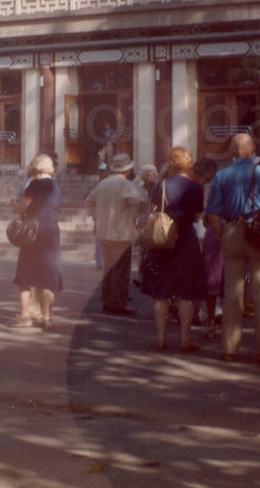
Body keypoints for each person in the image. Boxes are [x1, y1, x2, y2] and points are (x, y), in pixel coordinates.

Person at [206, 132, 260, 363]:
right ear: (252, 149)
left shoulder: (221, 175)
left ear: (233, 151)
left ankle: (229, 349)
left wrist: (223, 234)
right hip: (259, 233)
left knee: (232, 294)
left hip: (232, 231)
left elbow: (213, 213)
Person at [141, 147, 205, 353]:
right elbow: (197, 215)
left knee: (160, 292)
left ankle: (160, 338)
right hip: (185, 239)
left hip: (163, 239)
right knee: (186, 293)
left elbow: (153, 206)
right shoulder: (195, 187)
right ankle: (185, 339)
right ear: (189, 163)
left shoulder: (161, 185)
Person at [86, 153, 144, 315]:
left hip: (104, 231)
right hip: (121, 232)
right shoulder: (126, 185)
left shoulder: (103, 183)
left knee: (109, 267)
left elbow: (90, 201)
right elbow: (136, 202)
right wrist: (133, 219)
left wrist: (97, 217)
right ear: (128, 169)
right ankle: (117, 303)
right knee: (120, 270)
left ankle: (107, 299)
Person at [11, 152, 62, 331]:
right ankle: (47, 317)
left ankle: (25, 314)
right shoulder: (55, 186)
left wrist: (14, 203)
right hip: (51, 232)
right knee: (48, 276)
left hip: (33, 232)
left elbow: (22, 207)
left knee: (25, 274)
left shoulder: (34, 184)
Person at [191, 157, 223, 339]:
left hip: (211, 235)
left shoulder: (207, 188)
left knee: (210, 278)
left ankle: (209, 320)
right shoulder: (200, 187)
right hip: (228, 233)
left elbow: (206, 218)